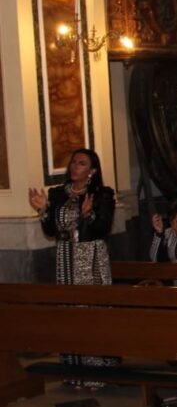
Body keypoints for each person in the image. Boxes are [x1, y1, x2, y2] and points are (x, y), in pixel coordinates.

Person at [28, 148, 118, 384]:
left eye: (81, 163)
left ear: (92, 171)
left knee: (91, 312)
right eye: (73, 162)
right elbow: (51, 231)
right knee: (69, 312)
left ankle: (98, 372)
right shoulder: (58, 194)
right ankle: (74, 372)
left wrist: (88, 216)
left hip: (91, 259)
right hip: (65, 258)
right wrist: (43, 210)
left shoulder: (102, 195)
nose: (74, 167)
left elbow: (102, 229)